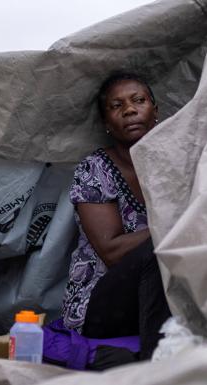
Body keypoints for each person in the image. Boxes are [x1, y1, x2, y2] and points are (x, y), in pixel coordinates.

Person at [60, 72, 171, 361]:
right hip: (99, 305)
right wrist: (173, 223)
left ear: (155, 110)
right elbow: (111, 251)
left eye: (139, 101)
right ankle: (154, 366)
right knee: (158, 249)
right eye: (116, 106)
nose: (130, 110)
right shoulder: (95, 169)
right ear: (106, 123)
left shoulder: (176, 163)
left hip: (160, 296)